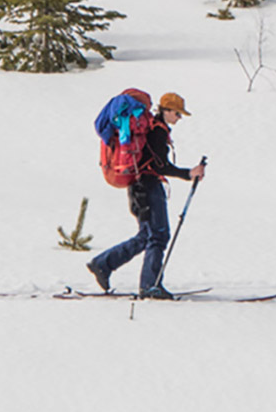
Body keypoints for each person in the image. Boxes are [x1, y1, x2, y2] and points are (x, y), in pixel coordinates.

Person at [87, 92, 203, 298]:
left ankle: (103, 264)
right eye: (177, 113)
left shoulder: (150, 128)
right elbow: (161, 166)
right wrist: (188, 173)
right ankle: (150, 285)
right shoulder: (156, 131)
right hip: (148, 186)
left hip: (138, 186)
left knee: (146, 236)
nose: (179, 118)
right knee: (158, 235)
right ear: (166, 110)